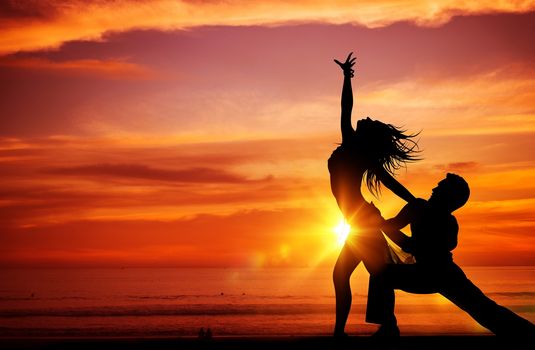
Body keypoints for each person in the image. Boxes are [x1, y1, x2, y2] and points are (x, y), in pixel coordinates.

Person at [367, 173, 535, 336]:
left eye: (439, 188)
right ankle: (388, 326)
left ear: (448, 197)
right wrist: (380, 222)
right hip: (441, 272)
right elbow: (395, 229)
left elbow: (409, 244)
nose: (433, 189)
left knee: (482, 309)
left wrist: (379, 222)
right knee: (482, 307)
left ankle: (526, 333)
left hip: (436, 273)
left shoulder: (430, 213)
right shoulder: (431, 213)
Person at [329, 52, 420, 337]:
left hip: (363, 221)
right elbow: (347, 108)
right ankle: (376, 328)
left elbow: (392, 184)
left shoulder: (357, 152)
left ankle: (377, 328)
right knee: (368, 274)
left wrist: (415, 202)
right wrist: (346, 76)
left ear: (367, 136)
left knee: (371, 274)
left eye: (368, 121)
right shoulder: (354, 148)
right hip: (359, 222)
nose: (364, 118)